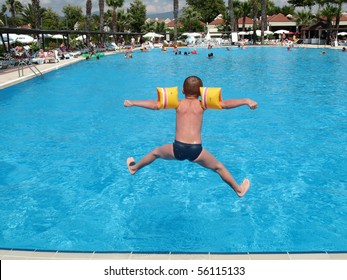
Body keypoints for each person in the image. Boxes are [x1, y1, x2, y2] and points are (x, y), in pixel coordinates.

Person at [124, 76, 258, 197]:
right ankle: (239, 190)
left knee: (155, 153)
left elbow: (154, 105)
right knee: (219, 167)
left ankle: (134, 168)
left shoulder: (178, 103)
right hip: (196, 150)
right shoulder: (202, 104)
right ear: (201, 92)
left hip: (177, 148)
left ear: (182, 90)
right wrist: (246, 100)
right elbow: (226, 104)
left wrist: (133, 102)